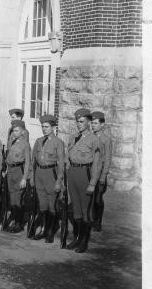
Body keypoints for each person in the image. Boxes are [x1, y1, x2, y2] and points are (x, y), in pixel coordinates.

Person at [66, 108, 101, 253]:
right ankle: (77, 237)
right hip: (72, 173)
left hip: (85, 174)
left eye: (81, 122)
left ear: (88, 122)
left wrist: (93, 183)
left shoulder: (94, 140)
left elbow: (97, 164)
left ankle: (84, 241)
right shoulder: (73, 137)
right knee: (75, 208)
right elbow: (68, 156)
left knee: (85, 210)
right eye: (77, 122)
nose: (78, 124)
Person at [30, 115, 65, 242]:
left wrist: (59, 181)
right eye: (42, 127)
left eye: (47, 127)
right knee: (42, 204)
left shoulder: (58, 143)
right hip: (39, 173)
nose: (44, 129)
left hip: (51, 173)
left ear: (53, 127)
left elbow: (61, 164)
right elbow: (33, 160)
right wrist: (32, 177)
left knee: (52, 204)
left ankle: (50, 230)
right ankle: (44, 228)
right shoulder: (38, 141)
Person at [5, 119, 31, 233]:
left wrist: (24, 178)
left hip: (19, 171)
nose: (14, 133)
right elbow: (9, 157)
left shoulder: (25, 144)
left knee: (18, 199)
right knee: (12, 198)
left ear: (23, 131)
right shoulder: (12, 142)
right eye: (13, 131)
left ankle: (19, 223)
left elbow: (28, 163)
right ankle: (15, 220)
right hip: (11, 171)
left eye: (16, 131)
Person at [91, 111, 112, 232]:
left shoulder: (106, 140)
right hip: (89, 174)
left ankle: (98, 222)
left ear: (102, 124)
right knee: (90, 198)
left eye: (96, 123)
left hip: (100, 175)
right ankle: (90, 220)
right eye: (92, 123)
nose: (93, 125)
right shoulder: (90, 137)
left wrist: (103, 176)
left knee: (98, 199)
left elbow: (108, 159)